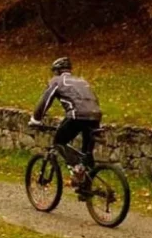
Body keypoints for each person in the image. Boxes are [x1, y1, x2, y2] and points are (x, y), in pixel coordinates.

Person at [29, 57, 102, 191]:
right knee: (86, 153)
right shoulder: (82, 81)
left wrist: (36, 119)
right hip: (95, 115)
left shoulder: (57, 81)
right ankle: (86, 185)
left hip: (77, 115)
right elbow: (93, 99)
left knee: (59, 141)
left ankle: (77, 169)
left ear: (56, 71)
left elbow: (46, 100)